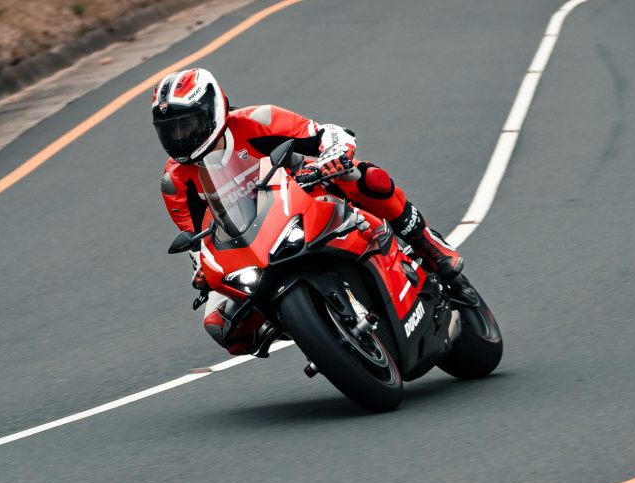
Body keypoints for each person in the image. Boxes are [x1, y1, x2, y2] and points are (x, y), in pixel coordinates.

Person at [154, 67, 465, 353]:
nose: (180, 136)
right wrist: (201, 271)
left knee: (366, 177)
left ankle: (429, 244)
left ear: (213, 109)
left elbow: (326, 133)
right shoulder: (175, 181)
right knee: (221, 327)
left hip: (302, 194)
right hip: (250, 244)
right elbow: (197, 240)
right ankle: (303, 325)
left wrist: (335, 153)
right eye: (170, 130)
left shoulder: (258, 120)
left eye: (187, 124)